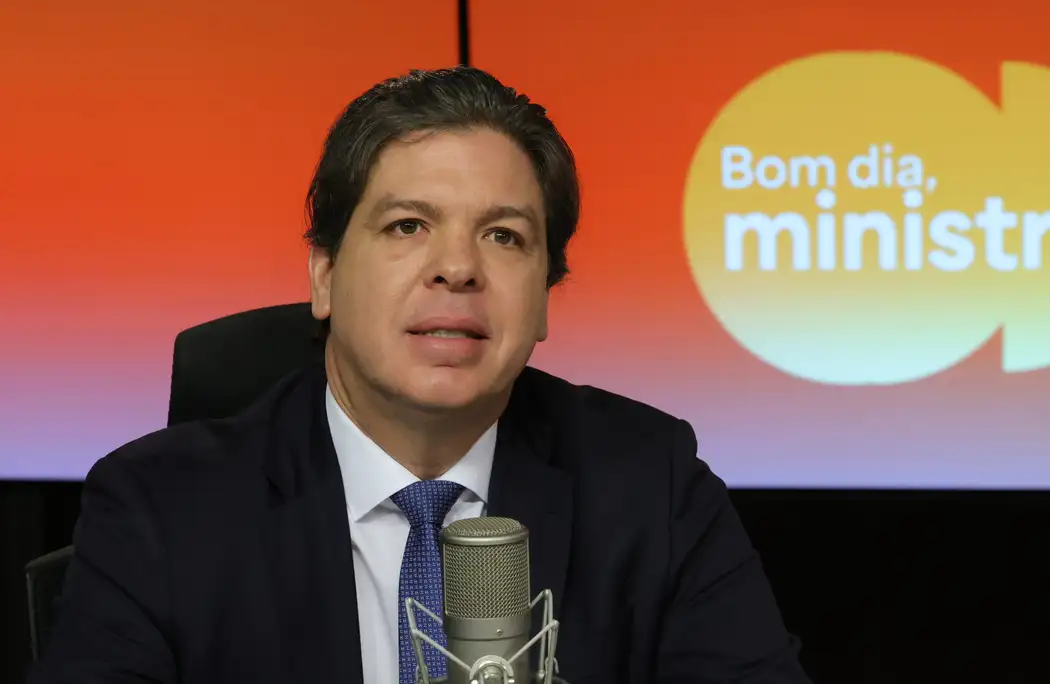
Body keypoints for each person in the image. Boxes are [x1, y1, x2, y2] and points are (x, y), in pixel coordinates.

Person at [29, 67, 811, 684]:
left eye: (504, 236)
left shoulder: (651, 489)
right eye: (409, 226)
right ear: (324, 274)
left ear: (546, 298)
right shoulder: (161, 510)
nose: (457, 268)